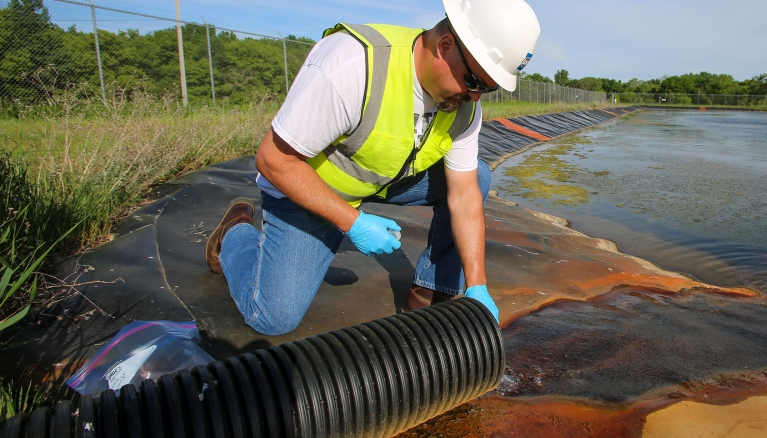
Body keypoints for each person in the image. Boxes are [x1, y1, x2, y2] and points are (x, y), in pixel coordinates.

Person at [203, 0, 541, 336]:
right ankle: (235, 233)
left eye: (488, 87)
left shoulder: (464, 105)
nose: (476, 96)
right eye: (473, 81)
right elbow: (274, 159)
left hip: (387, 177)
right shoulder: (353, 64)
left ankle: (430, 288)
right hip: (312, 185)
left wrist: (477, 285)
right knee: (273, 317)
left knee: (476, 176)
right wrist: (353, 222)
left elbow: (465, 195)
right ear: (445, 46)